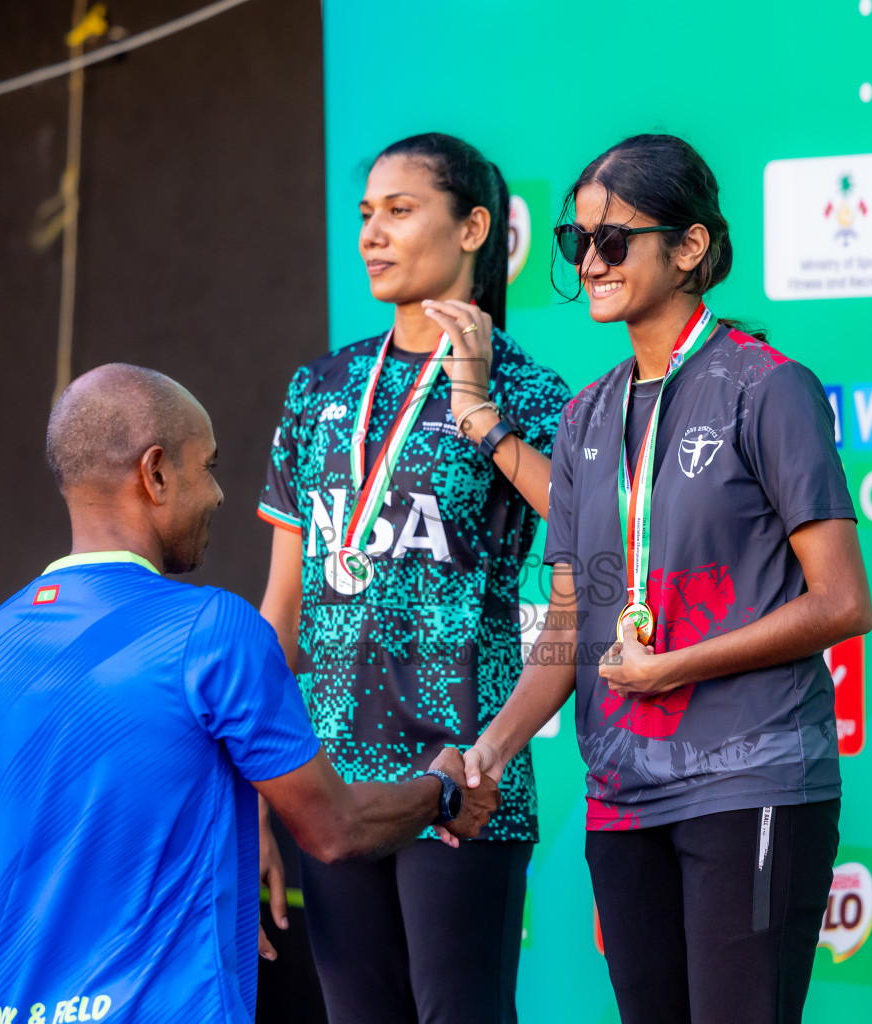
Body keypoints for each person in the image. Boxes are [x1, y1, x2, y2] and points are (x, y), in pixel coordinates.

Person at [462, 134, 872, 1024]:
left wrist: (677, 666)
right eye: (577, 244)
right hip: (621, 795)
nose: (592, 262)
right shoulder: (584, 417)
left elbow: (843, 600)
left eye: (614, 240)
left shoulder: (767, 387)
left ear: (689, 248)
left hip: (751, 778)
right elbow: (567, 624)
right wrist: (490, 751)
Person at [0, 364, 499, 1024]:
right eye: (206, 466)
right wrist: (441, 793)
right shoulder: (213, 629)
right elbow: (336, 828)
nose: (217, 494)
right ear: (154, 474)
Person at [255, 132, 569, 1024]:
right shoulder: (317, 388)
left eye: (400, 211)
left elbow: (601, 540)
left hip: (461, 769)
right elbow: (282, 606)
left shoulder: (533, 393)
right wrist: (251, 790)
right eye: (365, 216)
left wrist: (480, 414)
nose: (372, 236)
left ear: (475, 228)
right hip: (327, 777)